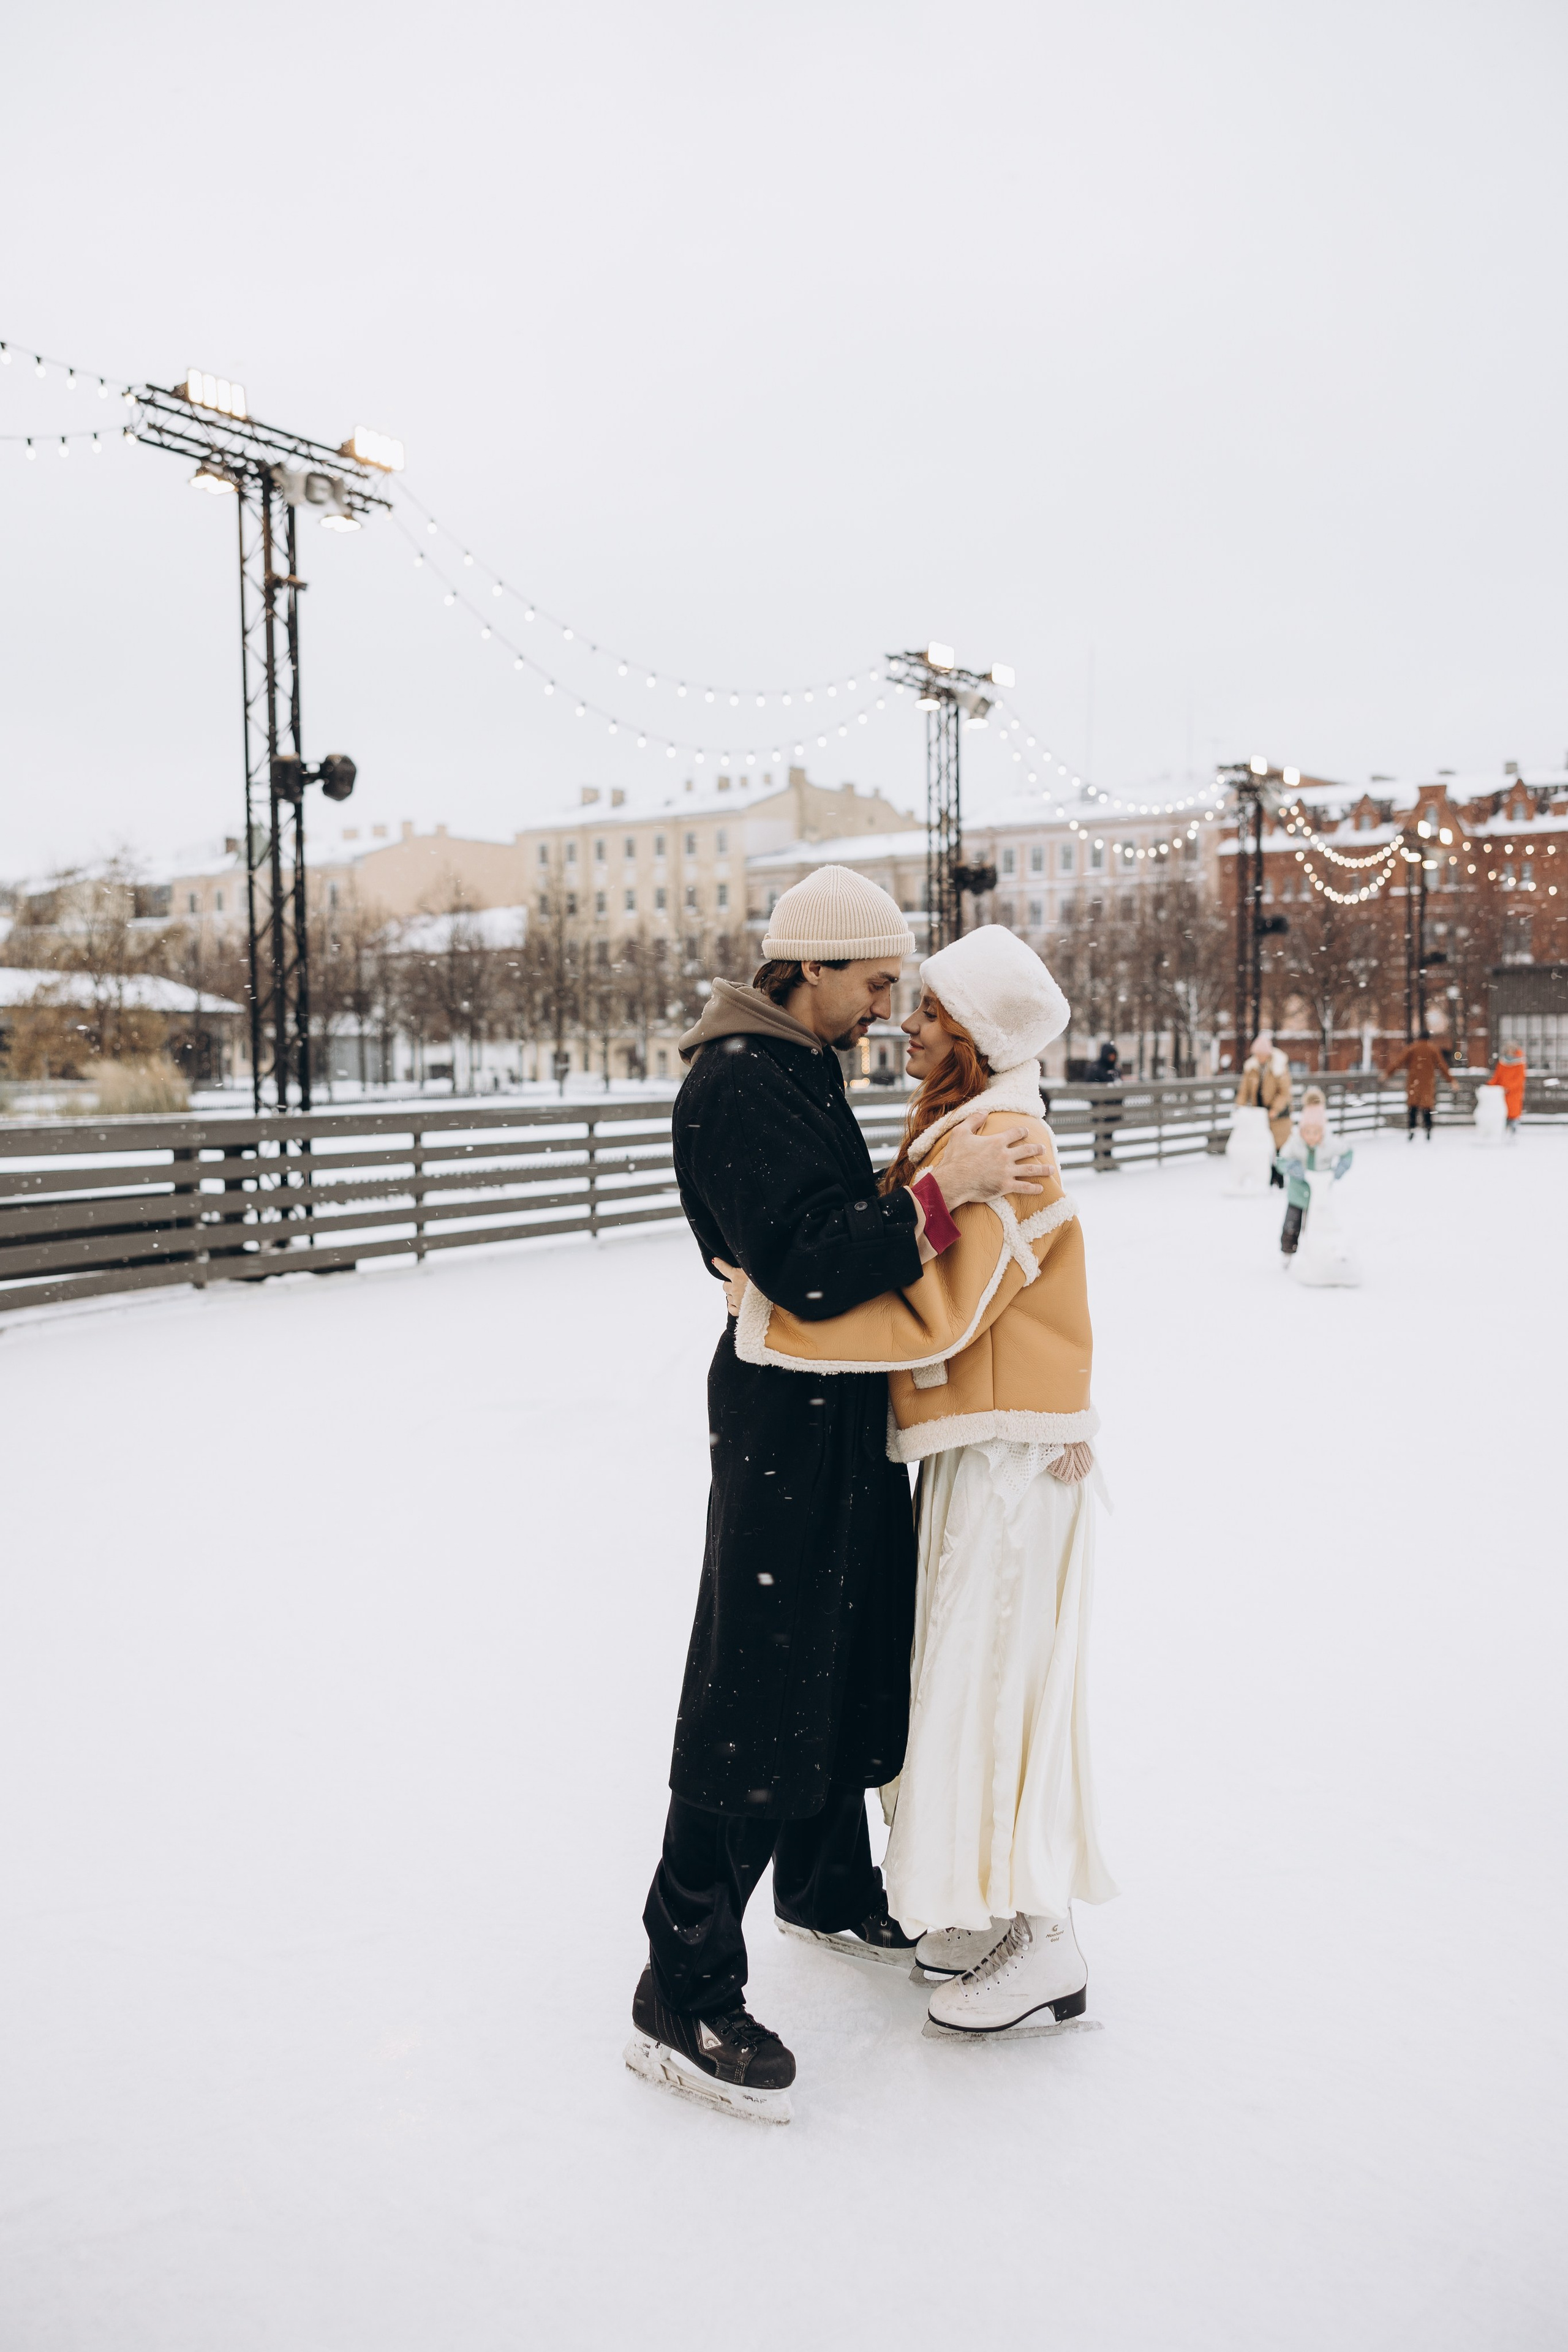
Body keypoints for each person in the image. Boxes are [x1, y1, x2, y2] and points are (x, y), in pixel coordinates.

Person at [627, 870, 1049, 2122]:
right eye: (873, 982)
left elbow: (823, 1238)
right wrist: (944, 1187)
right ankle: (681, 1982)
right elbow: (810, 1267)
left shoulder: (793, 1067)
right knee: (756, 1686)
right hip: (782, 1424)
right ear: (809, 968)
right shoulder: (741, 1082)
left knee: (849, 1654)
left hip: (836, 1410)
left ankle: (821, 1885)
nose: (884, 1006)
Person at [725, 925, 1116, 2040]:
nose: (908, 1023)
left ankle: (1045, 1937)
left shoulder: (1006, 1141)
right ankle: (996, 1910)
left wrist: (764, 1304)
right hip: (974, 1450)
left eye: (934, 1012)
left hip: (1007, 1461)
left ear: (980, 1039)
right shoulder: (963, 1130)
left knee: (1001, 1689)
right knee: (961, 1683)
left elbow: (929, 1316)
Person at [1276, 1087, 1353, 1259]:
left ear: (1322, 1132)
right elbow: (1281, 1160)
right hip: (1297, 1193)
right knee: (1291, 1225)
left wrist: (1340, 1169)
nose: (1311, 1137)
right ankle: (1287, 1254)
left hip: (1320, 1196)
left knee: (1316, 1226)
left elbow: (1348, 1153)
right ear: (1302, 1130)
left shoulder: (1330, 1143)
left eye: (1316, 1132)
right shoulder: (1295, 1143)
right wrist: (1291, 1167)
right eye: (1307, 1132)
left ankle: (1316, 1254)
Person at [1235, 1033, 1293, 1184]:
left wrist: (1275, 1109)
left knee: (1279, 1148)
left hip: (1279, 1117)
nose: (1260, 1057)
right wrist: (1239, 1108)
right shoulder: (1251, 1068)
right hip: (1259, 1115)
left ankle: (1279, 1176)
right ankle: (1267, 1175)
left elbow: (1285, 1093)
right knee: (1263, 1147)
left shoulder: (1279, 1067)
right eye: (1257, 1054)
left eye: (1262, 1054)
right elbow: (1244, 1091)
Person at [1386, 1031, 1453, 1139]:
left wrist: (1387, 1073)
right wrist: (1452, 1081)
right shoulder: (1433, 1049)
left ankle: (1412, 1130)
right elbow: (1442, 1066)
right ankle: (1428, 1130)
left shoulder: (1412, 1048)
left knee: (1413, 1108)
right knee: (1427, 1108)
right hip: (1427, 1083)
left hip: (1414, 1083)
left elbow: (1399, 1062)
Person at [1490, 1040, 1527, 1138]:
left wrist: (1509, 1088)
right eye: (1508, 1050)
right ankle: (1503, 1132)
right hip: (1503, 1093)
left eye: (1512, 1050)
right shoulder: (1502, 1063)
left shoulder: (1520, 1063)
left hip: (1514, 1092)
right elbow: (1497, 1077)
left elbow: (1519, 1079)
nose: (1510, 1052)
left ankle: (1513, 1131)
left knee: (1513, 1112)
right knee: (1503, 1112)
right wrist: (1490, 1085)